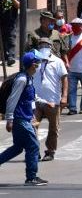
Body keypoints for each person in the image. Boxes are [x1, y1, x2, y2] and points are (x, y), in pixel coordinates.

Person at [0, 50, 48, 185]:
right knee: (33, 146)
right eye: (38, 63)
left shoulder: (28, 78)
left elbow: (30, 98)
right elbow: (12, 100)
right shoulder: (22, 79)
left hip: (24, 118)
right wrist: (9, 119)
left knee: (18, 147)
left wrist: (44, 103)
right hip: (19, 119)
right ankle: (31, 177)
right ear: (33, 65)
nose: (39, 66)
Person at [31, 37, 67, 162]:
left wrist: (64, 96)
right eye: (41, 45)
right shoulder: (34, 61)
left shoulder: (57, 62)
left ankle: (50, 151)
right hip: (35, 101)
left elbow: (64, 79)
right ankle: (34, 151)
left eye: (46, 45)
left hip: (52, 101)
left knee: (53, 128)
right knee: (32, 127)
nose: (43, 47)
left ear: (51, 46)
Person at [0, 0, 20, 66]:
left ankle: (11, 57)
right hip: (1, 22)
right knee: (3, 41)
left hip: (11, 22)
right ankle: (5, 58)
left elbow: (18, 5)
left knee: (11, 39)